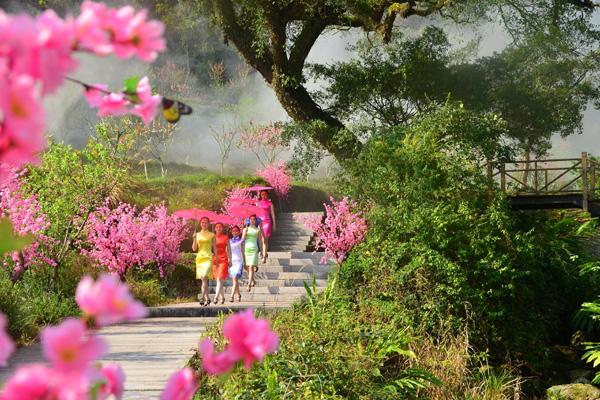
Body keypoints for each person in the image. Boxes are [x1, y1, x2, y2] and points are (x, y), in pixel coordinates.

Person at [192, 217, 217, 306]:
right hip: (200, 258)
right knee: (204, 279)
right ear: (200, 224)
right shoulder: (197, 234)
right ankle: (207, 298)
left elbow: (214, 248)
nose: (204, 224)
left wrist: (216, 260)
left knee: (204, 276)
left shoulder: (212, 234)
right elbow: (194, 248)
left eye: (206, 222)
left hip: (209, 257)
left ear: (208, 224)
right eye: (202, 222)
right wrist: (194, 238)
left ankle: (202, 297)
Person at [242, 214, 265, 291]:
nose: (252, 220)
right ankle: (253, 280)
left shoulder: (257, 229)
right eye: (251, 219)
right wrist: (244, 231)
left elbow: (260, 241)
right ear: (249, 220)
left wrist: (262, 251)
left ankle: (248, 284)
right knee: (247, 267)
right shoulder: (246, 229)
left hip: (254, 249)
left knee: (251, 267)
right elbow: (242, 239)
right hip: (247, 249)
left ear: (255, 221)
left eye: (254, 219)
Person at [212, 222, 231, 305]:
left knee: (220, 278)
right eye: (217, 227)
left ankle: (216, 297)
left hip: (223, 259)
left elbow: (229, 249)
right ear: (215, 228)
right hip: (215, 259)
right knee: (218, 279)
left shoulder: (226, 237)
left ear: (222, 228)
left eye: (220, 227)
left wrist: (230, 258)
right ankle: (222, 297)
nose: (218, 228)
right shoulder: (212, 237)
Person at [257, 190, 276, 264]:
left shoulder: (270, 203)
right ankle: (263, 252)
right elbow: (256, 214)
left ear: (267, 195)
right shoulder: (258, 203)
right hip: (260, 222)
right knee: (261, 239)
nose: (263, 195)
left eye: (265, 194)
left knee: (265, 239)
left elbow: (273, 214)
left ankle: (264, 256)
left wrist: (274, 224)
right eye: (262, 194)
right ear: (260, 195)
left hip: (267, 222)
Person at [228, 225, 245, 302]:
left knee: (235, 278)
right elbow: (228, 251)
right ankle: (238, 294)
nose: (235, 232)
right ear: (231, 232)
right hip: (232, 261)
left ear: (239, 232)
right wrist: (229, 260)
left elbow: (243, 252)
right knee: (235, 280)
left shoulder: (241, 241)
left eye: (236, 231)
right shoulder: (229, 241)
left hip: (239, 261)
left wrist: (245, 262)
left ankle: (231, 296)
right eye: (233, 231)